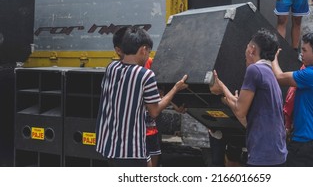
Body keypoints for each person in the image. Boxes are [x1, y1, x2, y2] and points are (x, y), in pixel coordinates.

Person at [95, 27, 188, 167]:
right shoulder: (145, 75)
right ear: (143, 49)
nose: (148, 56)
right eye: (148, 52)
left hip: (108, 144)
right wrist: (175, 88)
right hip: (130, 148)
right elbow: (154, 111)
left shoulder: (111, 68)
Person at [209, 28, 287, 167]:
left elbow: (240, 110)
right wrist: (223, 89)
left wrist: (222, 89)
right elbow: (242, 109)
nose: (245, 53)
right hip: (276, 151)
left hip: (263, 153)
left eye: (246, 49)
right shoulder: (269, 74)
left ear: (251, 50)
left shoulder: (254, 70)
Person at [271, 30, 313, 166]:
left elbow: (279, 77)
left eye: (305, 50)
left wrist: (272, 58)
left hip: (311, 144)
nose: (302, 54)